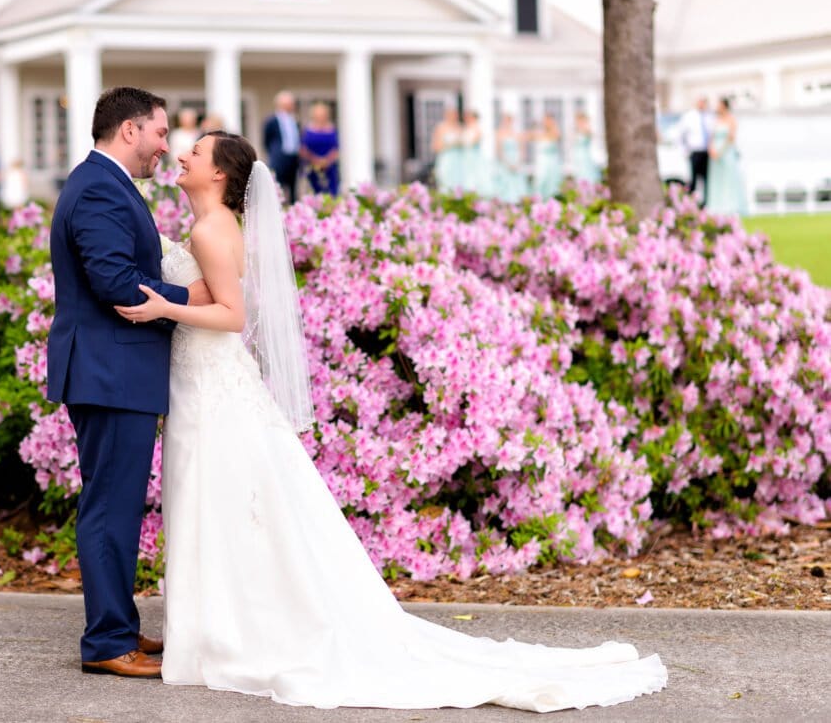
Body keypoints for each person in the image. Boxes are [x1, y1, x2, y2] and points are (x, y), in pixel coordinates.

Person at [114, 131, 668, 711]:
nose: (182, 156)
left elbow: (230, 316)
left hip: (214, 387)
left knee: (216, 503)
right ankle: (219, 630)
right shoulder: (217, 229)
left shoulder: (210, 230)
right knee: (224, 506)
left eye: (196, 154)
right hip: (210, 383)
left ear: (221, 175)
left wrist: (162, 307)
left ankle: (219, 635)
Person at [46, 86, 211, 679]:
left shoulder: (107, 185)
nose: (167, 146)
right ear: (129, 131)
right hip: (109, 370)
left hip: (115, 369)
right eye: (161, 133)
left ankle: (117, 622)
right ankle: (107, 642)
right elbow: (116, 284)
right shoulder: (96, 188)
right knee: (109, 509)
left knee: (115, 505)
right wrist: (190, 298)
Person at [704, 97, 748, 215]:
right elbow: (711, 136)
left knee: (729, 179)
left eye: (719, 105)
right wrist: (711, 149)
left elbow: (731, 138)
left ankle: (730, 205)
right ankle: (717, 205)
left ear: (724, 105)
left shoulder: (731, 120)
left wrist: (720, 152)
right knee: (717, 179)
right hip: (714, 154)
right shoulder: (716, 120)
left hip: (726, 152)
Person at [263, 90, 301, 203]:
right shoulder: (272, 121)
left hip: (293, 158)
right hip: (279, 159)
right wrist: (275, 154)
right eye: (290, 103)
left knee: (293, 187)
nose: (292, 106)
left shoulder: (294, 120)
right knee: (278, 187)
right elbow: (266, 140)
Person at [674, 97, 712, 204]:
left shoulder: (709, 117)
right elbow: (680, 135)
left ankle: (705, 203)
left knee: (707, 179)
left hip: (707, 153)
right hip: (694, 152)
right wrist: (685, 151)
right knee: (693, 180)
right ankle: (691, 203)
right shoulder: (689, 117)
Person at [299, 102, 340, 196]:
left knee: (331, 192)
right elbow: (303, 149)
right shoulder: (308, 130)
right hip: (312, 167)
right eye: (318, 115)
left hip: (330, 168)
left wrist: (326, 161)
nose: (321, 117)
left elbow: (336, 148)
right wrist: (316, 160)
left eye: (323, 115)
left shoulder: (332, 129)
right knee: (314, 192)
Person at [494, 113, 528, 202]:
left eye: (509, 121)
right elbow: (499, 152)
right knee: (506, 184)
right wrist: (507, 164)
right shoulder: (500, 134)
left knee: (517, 184)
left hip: (516, 161)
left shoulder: (517, 134)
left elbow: (522, 150)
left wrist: (518, 163)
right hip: (505, 162)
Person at [459, 109, 493, 197]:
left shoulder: (477, 128)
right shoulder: (466, 128)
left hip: (473, 156)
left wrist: (465, 143)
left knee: (476, 176)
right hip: (466, 155)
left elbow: (475, 140)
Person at [432, 106, 466, 192]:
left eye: (455, 114)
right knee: (446, 184)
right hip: (447, 159)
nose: (454, 116)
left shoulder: (460, 126)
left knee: (461, 183)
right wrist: (451, 145)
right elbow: (435, 147)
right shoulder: (441, 127)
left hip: (459, 160)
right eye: (451, 114)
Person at [531, 114, 563, 199]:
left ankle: (552, 199)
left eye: (548, 120)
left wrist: (552, 125)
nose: (546, 123)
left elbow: (557, 136)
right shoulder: (540, 133)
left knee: (552, 182)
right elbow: (529, 136)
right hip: (543, 162)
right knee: (541, 180)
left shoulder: (555, 131)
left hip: (552, 162)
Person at [571, 111, 600, 185]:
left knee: (587, 172)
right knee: (579, 173)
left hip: (585, 156)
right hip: (577, 155)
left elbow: (591, 135)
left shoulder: (587, 130)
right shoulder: (576, 131)